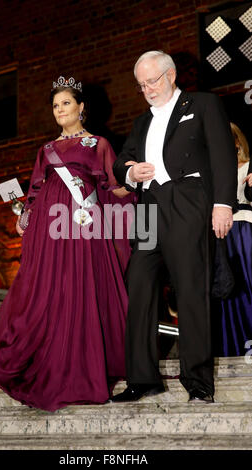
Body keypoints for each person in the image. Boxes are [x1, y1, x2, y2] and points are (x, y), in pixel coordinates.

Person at [0, 76, 133, 412]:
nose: (59, 110)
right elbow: (34, 191)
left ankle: (82, 365)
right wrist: (25, 215)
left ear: (81, 108)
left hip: (84, 224)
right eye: (55, 105)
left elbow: (115, 188)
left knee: (81, 287)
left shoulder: (99, 144)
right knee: (51, 288)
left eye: (66, 103)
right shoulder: (46, 150)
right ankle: (45, 356)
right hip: (49, 225)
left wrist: (136, 183)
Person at [112, 50, 237, 404]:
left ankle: (197, 382)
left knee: (190, 288)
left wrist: (223, 204)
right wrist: (131, 172)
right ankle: (142, 378)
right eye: (141, 85)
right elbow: (122, 161)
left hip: (187, 200)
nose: (147, 89)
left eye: (152, 80)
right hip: (150, 207)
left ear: (170, 75)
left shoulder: (202, 104)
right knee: (138, 284)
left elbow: (223, 154)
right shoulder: (141, 122)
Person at [212, 123, 252, 356]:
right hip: (220, 237)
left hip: (244, 233)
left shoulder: (248, 166)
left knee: (247, 287)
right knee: (228, 294)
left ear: (237, 142)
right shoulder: (210, 173)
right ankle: (235, 349)